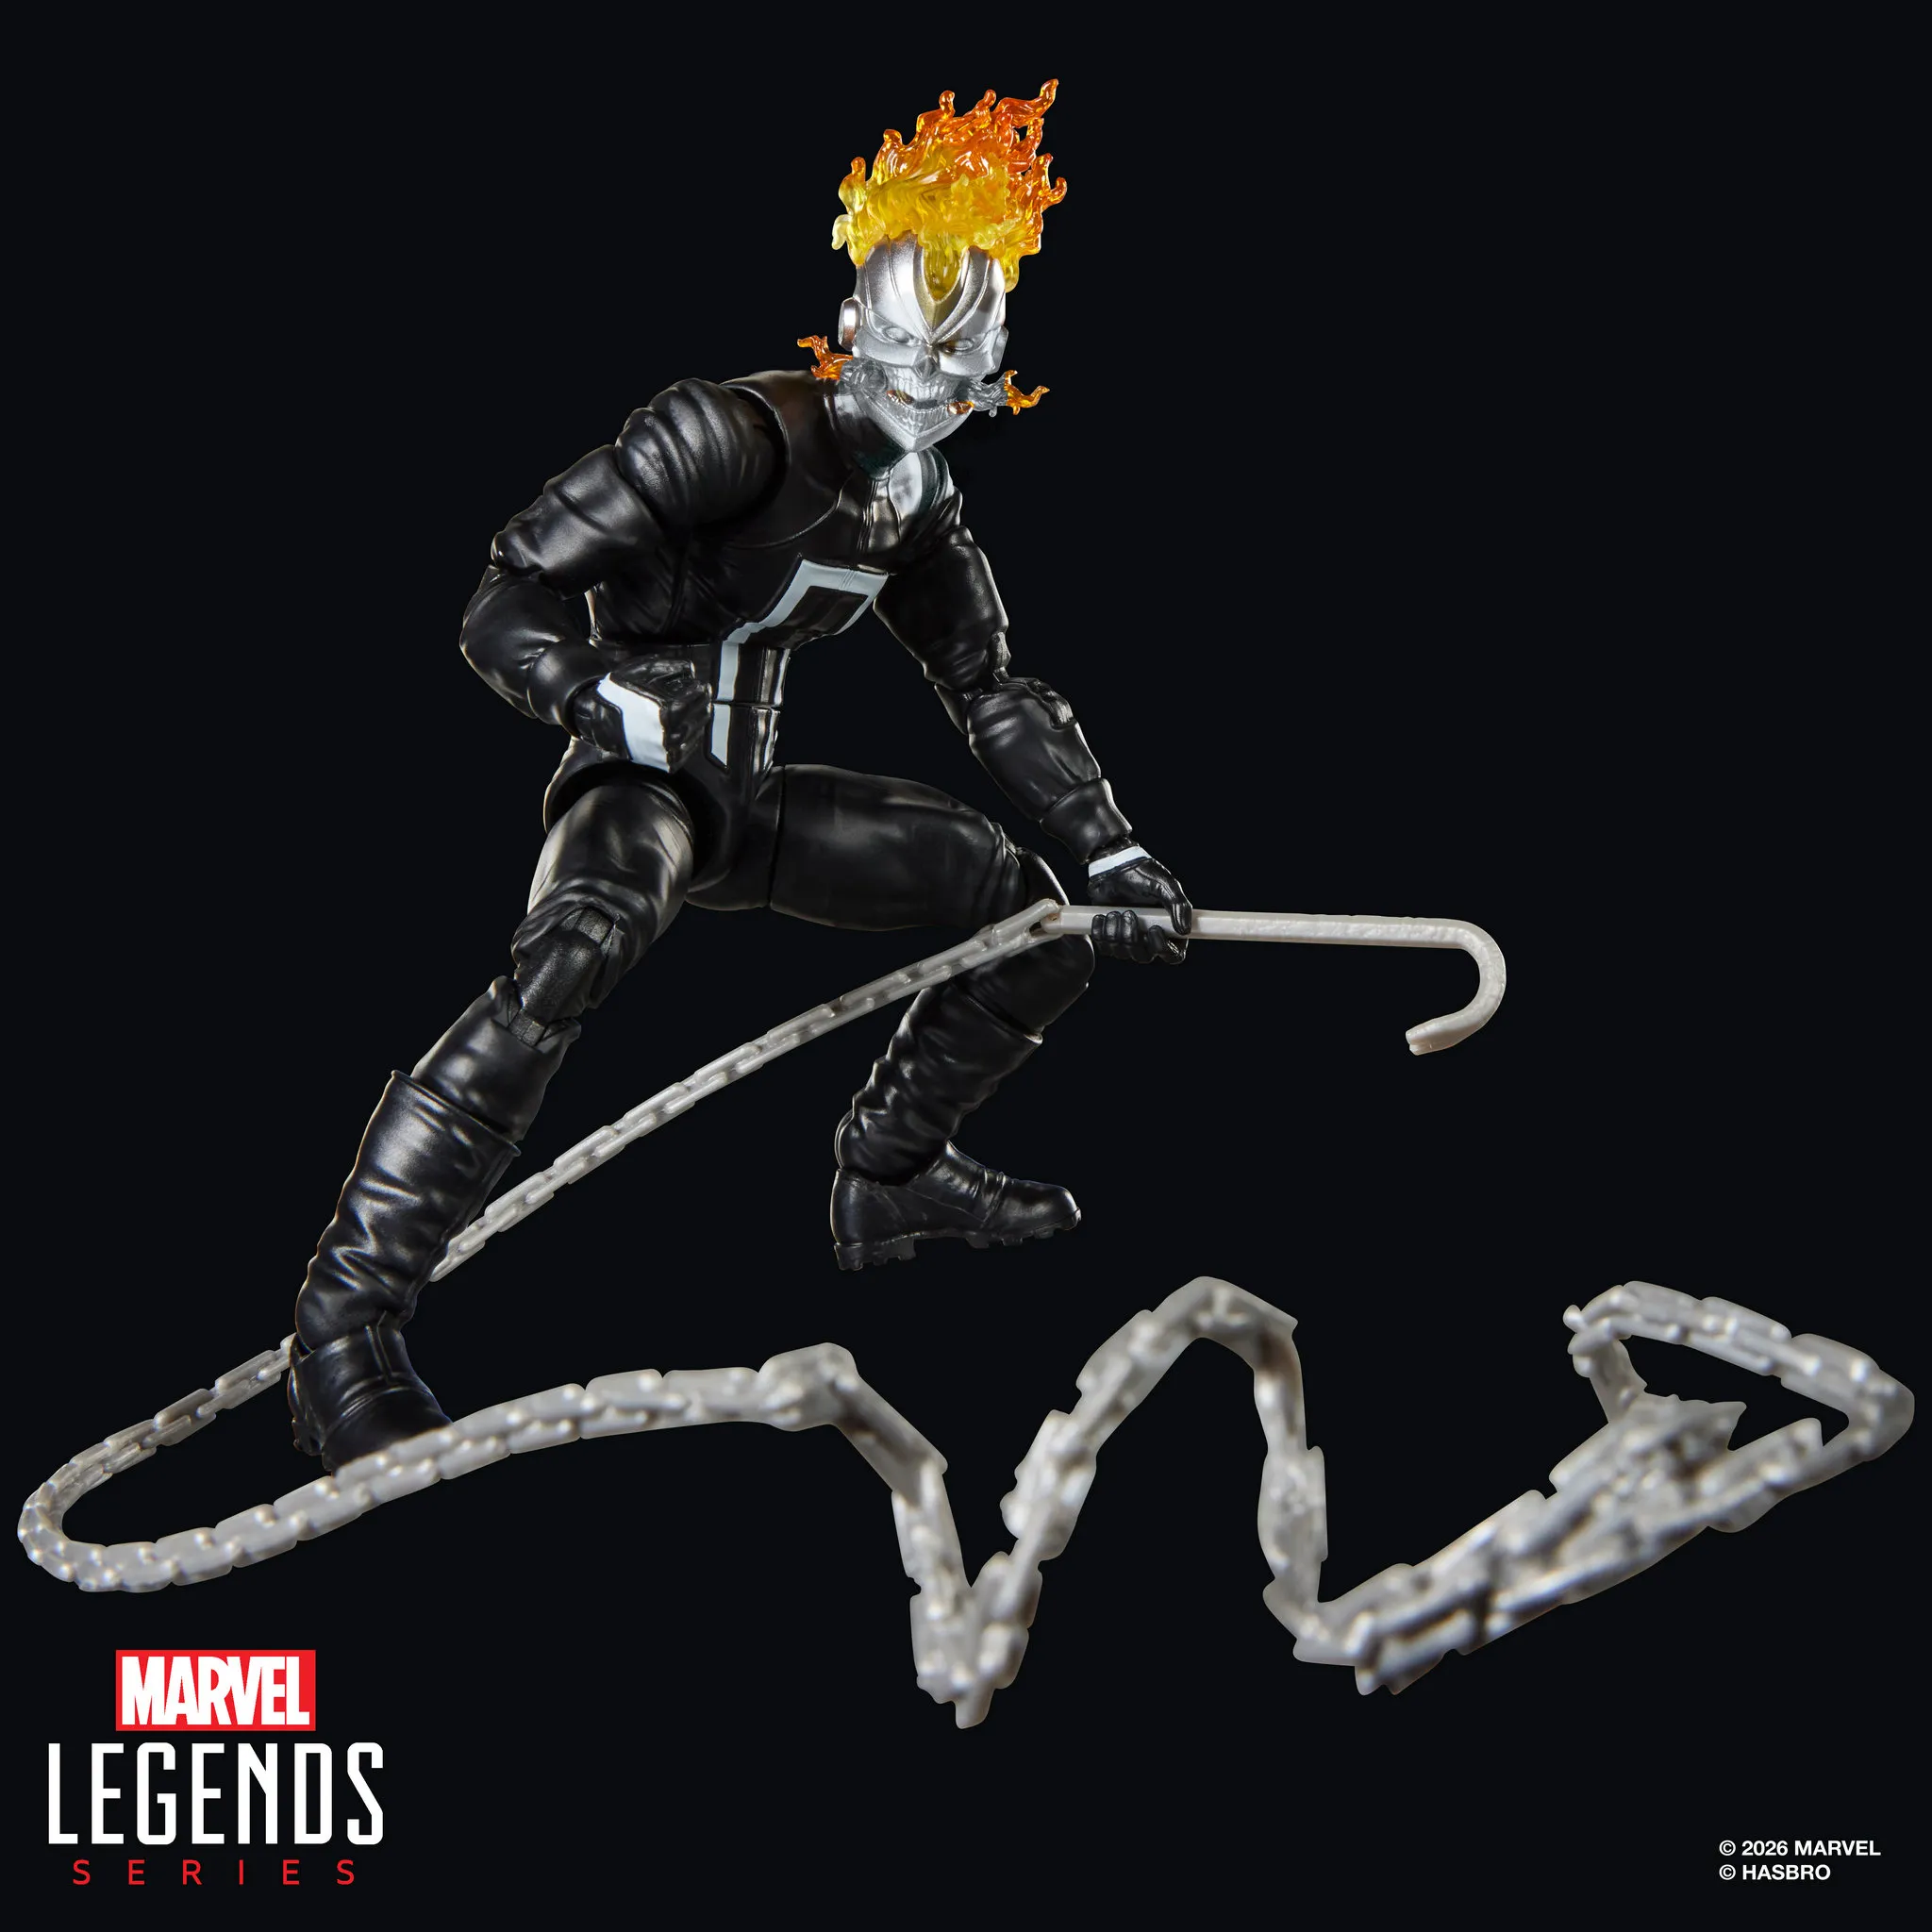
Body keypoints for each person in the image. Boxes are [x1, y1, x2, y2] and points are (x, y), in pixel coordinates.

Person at [288, 84, 1192, 1471]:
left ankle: (889, 1175)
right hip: (639, 788)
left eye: (954, 384)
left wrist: (1111, 848)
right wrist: (593, 691)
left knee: (1031, 917)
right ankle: (344, 1327)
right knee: (574, 948)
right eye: (906, 370)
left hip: (749, 806)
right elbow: (506, 595)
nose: (924, 405)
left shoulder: (918, 502)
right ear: (855, 335)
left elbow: (991, 685)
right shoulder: (729, 434)